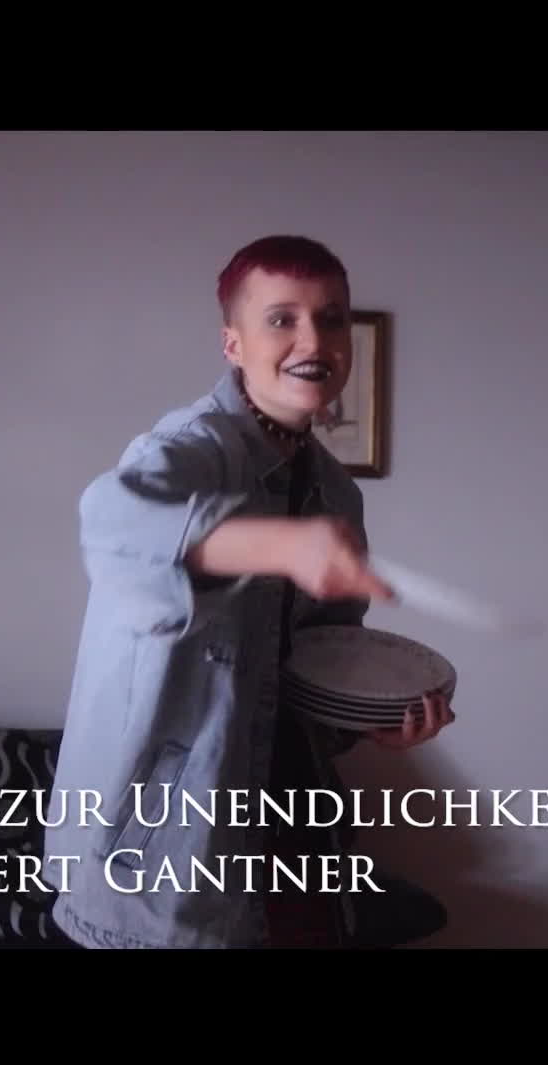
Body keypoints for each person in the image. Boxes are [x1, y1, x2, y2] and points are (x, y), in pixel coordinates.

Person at [43, 235, 454, 950]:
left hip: (294, 842)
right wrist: (279, 546)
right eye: (281, 319)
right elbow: (110, 527)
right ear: (233, 343)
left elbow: (316, 666)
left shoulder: (337, 492)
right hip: (163, 859)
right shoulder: (185, 447)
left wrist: (368, 717)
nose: (312, 340)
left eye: (330, 319)